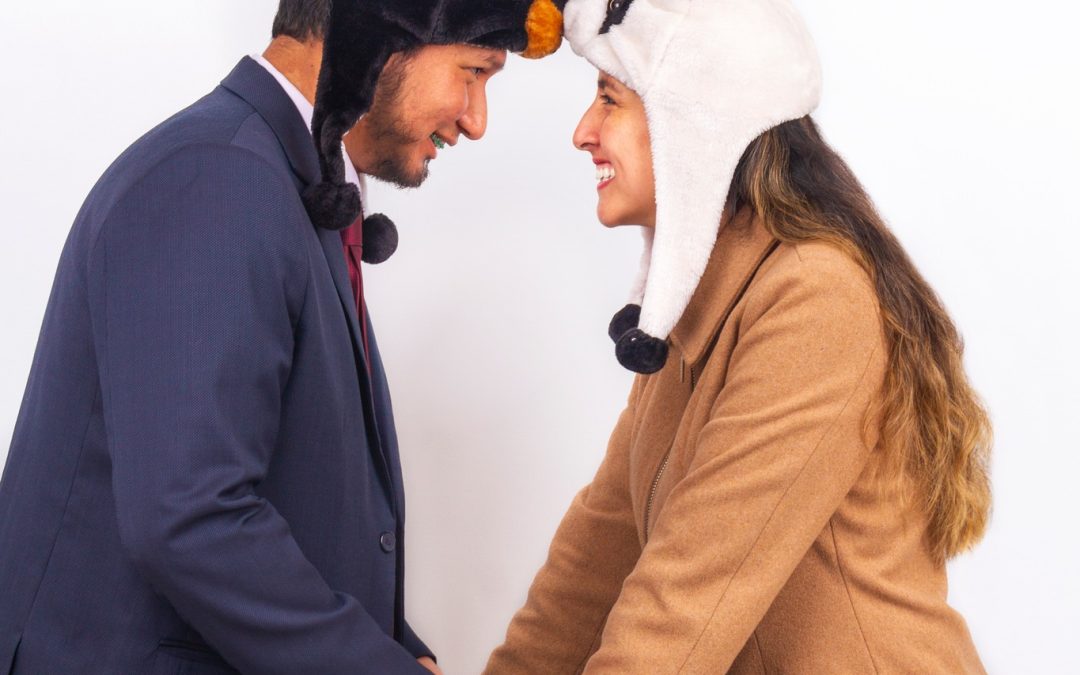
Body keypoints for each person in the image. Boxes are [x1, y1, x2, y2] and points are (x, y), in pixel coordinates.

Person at [0, 1, 564, 673]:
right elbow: (191, 518)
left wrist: (398, 650)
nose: (476, 119)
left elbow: (294, 502)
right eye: (473, 71)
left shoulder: (278, 184)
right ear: (377, 36)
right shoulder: (214, 178)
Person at [486, 0, 991, 672]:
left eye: (609, 99)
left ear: (693, 122)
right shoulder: (690, 313)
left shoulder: (815, 299)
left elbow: (686, 598)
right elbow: (592, 565)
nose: (583, 132)